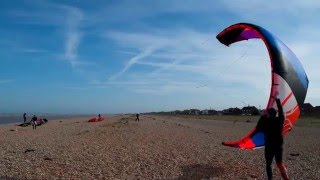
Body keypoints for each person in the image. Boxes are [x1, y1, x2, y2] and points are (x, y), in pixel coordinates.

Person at [257, 98, 289, 180]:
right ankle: (286, 178)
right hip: (278, 145)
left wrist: (262, 116)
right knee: (279, 163)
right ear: (276, 114)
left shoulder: (265, 122)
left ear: (268, 114)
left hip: (269, 146)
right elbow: (281, 112)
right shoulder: (280, 120)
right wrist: (278, 101)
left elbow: (258, 127)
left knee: (268, 164)